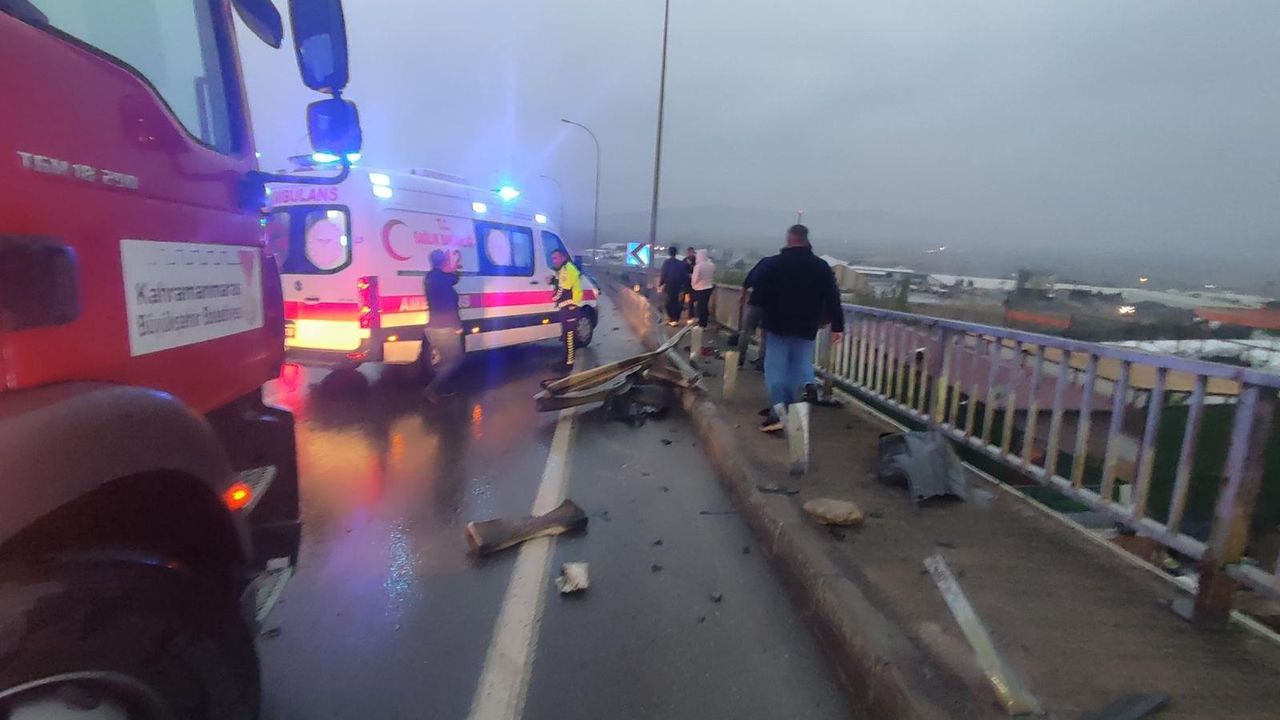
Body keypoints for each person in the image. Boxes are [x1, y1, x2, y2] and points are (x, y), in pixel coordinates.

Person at [749, 224, 843, 432]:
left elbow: (758, 295)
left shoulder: (774, 264)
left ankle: (778, 411)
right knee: (794, 369)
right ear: (806, 239)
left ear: (789, 238)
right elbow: (833, 297)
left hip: (778, 324)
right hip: (807, 326)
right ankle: (787, 409)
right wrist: (838, 326)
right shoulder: (821, 266)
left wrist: (755, 321)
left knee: (774, 371)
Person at [422, 249, 464, 403]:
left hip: (433, 326)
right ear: (442, 262)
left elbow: (452, 279)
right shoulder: (441, 278)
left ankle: (444, 387)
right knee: (455, 359)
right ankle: (431, 389)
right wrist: (457, 325)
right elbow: (449, 304)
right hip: (445, 327)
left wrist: (453, 266)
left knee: (446, 360)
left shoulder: (431, 277)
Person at [736, 253, 775, 368]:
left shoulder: (763, 264)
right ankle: (762, 362)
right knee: (766, 334)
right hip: (771, 306)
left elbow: (747, 281)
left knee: (746, 331)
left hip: (755, 302)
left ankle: (740, 359)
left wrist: (743, 296)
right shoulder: (781, 268)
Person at [550, 248, 584, 375]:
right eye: (553, 258)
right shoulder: (564, 269)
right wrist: (553, 281)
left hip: (570, 307)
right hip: (567, 307)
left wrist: (553, 298)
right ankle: (565, 360)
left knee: (569, 336)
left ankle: (569, 363)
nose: (554, 261)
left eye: (556, 258)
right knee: (566, 335)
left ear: (563, 258)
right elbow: (560, 283)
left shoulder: (568, 269)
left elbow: (563, 289)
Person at [657, 245, 691, 326]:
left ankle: (672, 318)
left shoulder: (667, 263)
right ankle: (675, 319)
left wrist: (660, 283)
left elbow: (664, 274)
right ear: (676, 253)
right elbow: (686, 275)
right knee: (677, 303)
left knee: (668, 303)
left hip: (669, 286)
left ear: (669, 253)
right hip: (679, 287)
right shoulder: (682, 263)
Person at [690, 249, 716, 328]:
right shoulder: (712, 265)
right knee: (705, 305)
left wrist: (693, 286)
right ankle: (704, 322)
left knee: (701, 306)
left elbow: (695, 278)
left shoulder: (698, 266)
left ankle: (701, 323)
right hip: (709, 288)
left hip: (700, 288)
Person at [683, 246, 698, 321]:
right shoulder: (684, 260)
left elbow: (697, 269)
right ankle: (683, 312)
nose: (690, 254)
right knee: (684, 298)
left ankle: (691, 315)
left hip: (694, 283)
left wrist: (691, 266)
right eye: (689, 252)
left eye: (692, 252)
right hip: (686, 282)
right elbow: (682, 270)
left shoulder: (696, 261)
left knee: (692, 299)